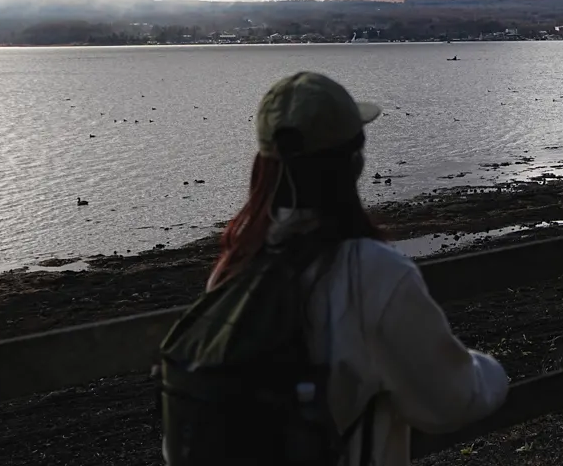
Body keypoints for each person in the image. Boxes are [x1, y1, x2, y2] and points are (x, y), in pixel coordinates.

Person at [200, 71, 508, 465]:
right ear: (353, 162)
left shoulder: (231, 268)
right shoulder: (374, 274)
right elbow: (450, 401)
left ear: (264, 165)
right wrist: (493, 371)